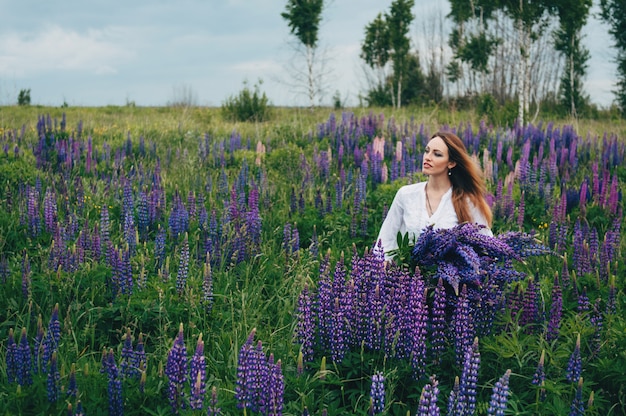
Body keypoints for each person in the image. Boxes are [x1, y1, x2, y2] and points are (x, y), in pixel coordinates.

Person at [376, 131, 493, 260]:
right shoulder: (406, 194)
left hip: (451, 278)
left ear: (451, 163)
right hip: (404, 277)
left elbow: (488, 246)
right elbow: (384, 242)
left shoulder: (467, 201)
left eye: (437, 154)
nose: (427, 157)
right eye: (427, 151)